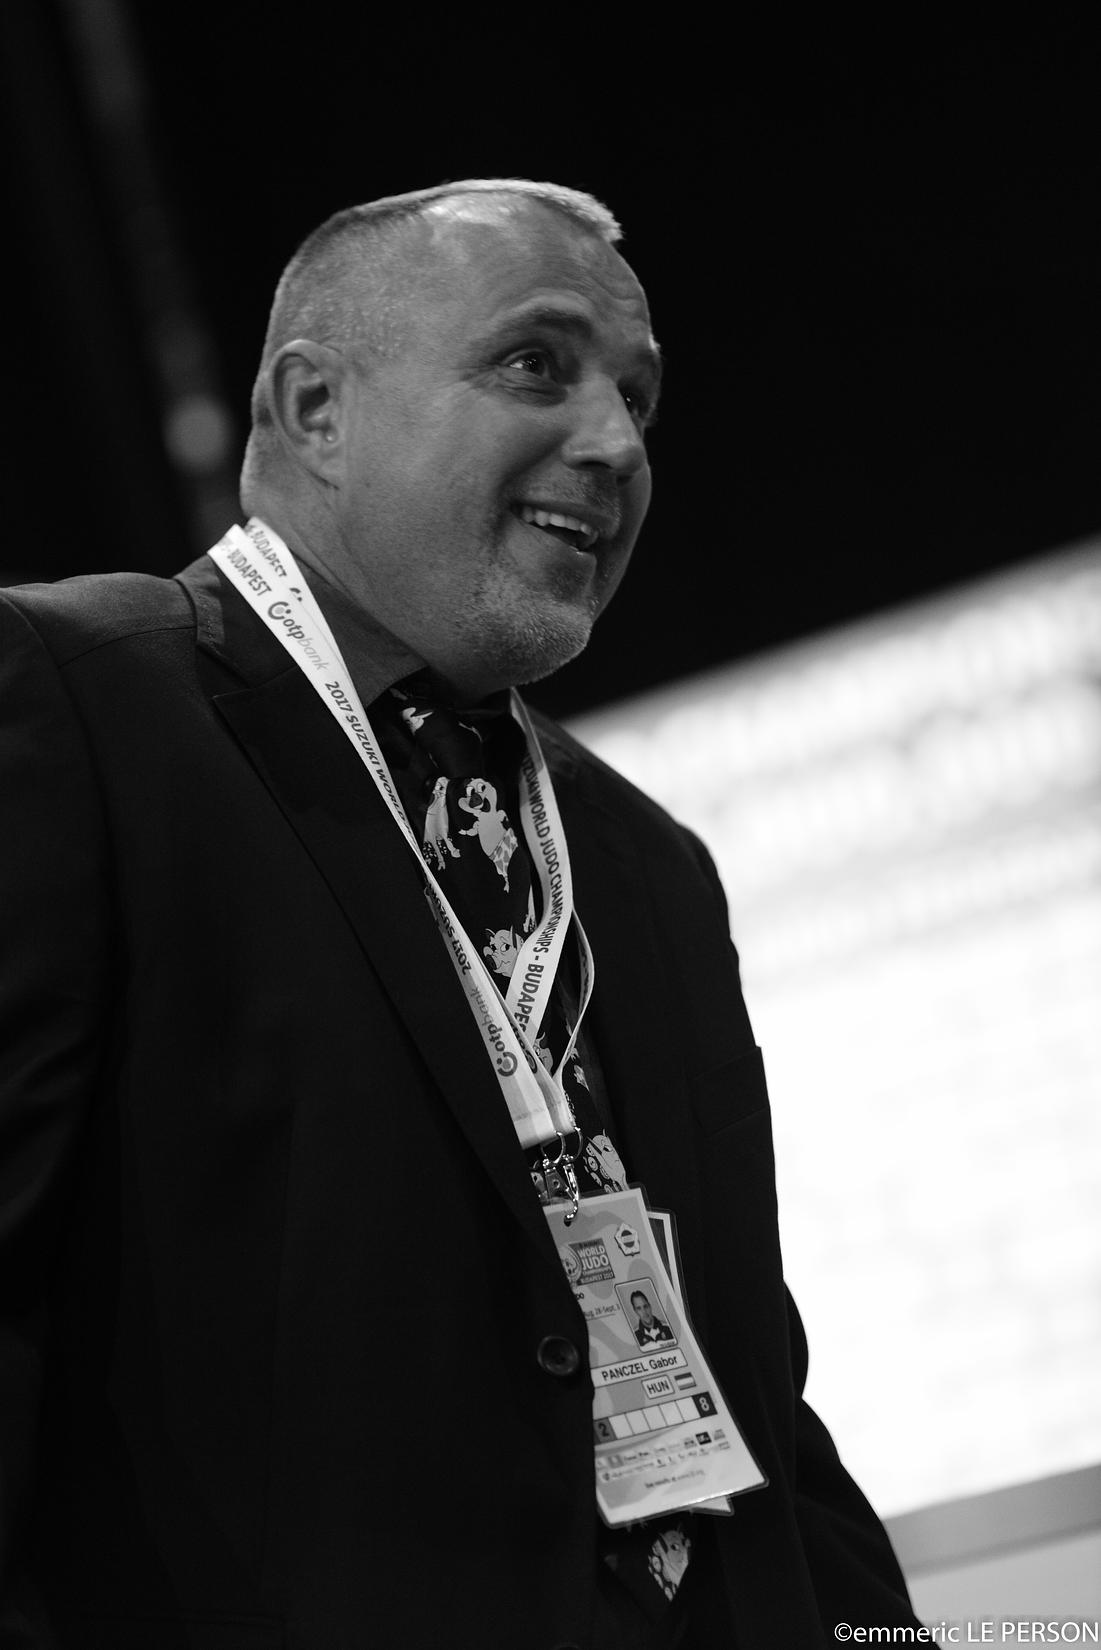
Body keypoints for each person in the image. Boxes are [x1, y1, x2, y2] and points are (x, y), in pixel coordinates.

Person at [0, 178, 923, 1649]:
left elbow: (756, 1414)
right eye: (537, 365)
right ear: (314, 409)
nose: (616, 443)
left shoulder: (647, 863)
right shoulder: (72, 701)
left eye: (637, 396)